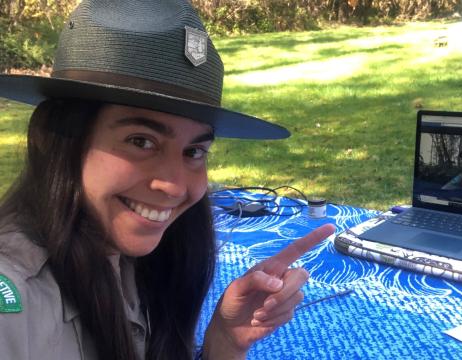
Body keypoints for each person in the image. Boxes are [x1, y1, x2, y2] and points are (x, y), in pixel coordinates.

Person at [0, 1, 335, 359]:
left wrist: (226, 339)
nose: (175, 187)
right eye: (141, 142)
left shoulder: (137, 256)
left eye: (193, 152)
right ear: (61, 140)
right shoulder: (14, 310)